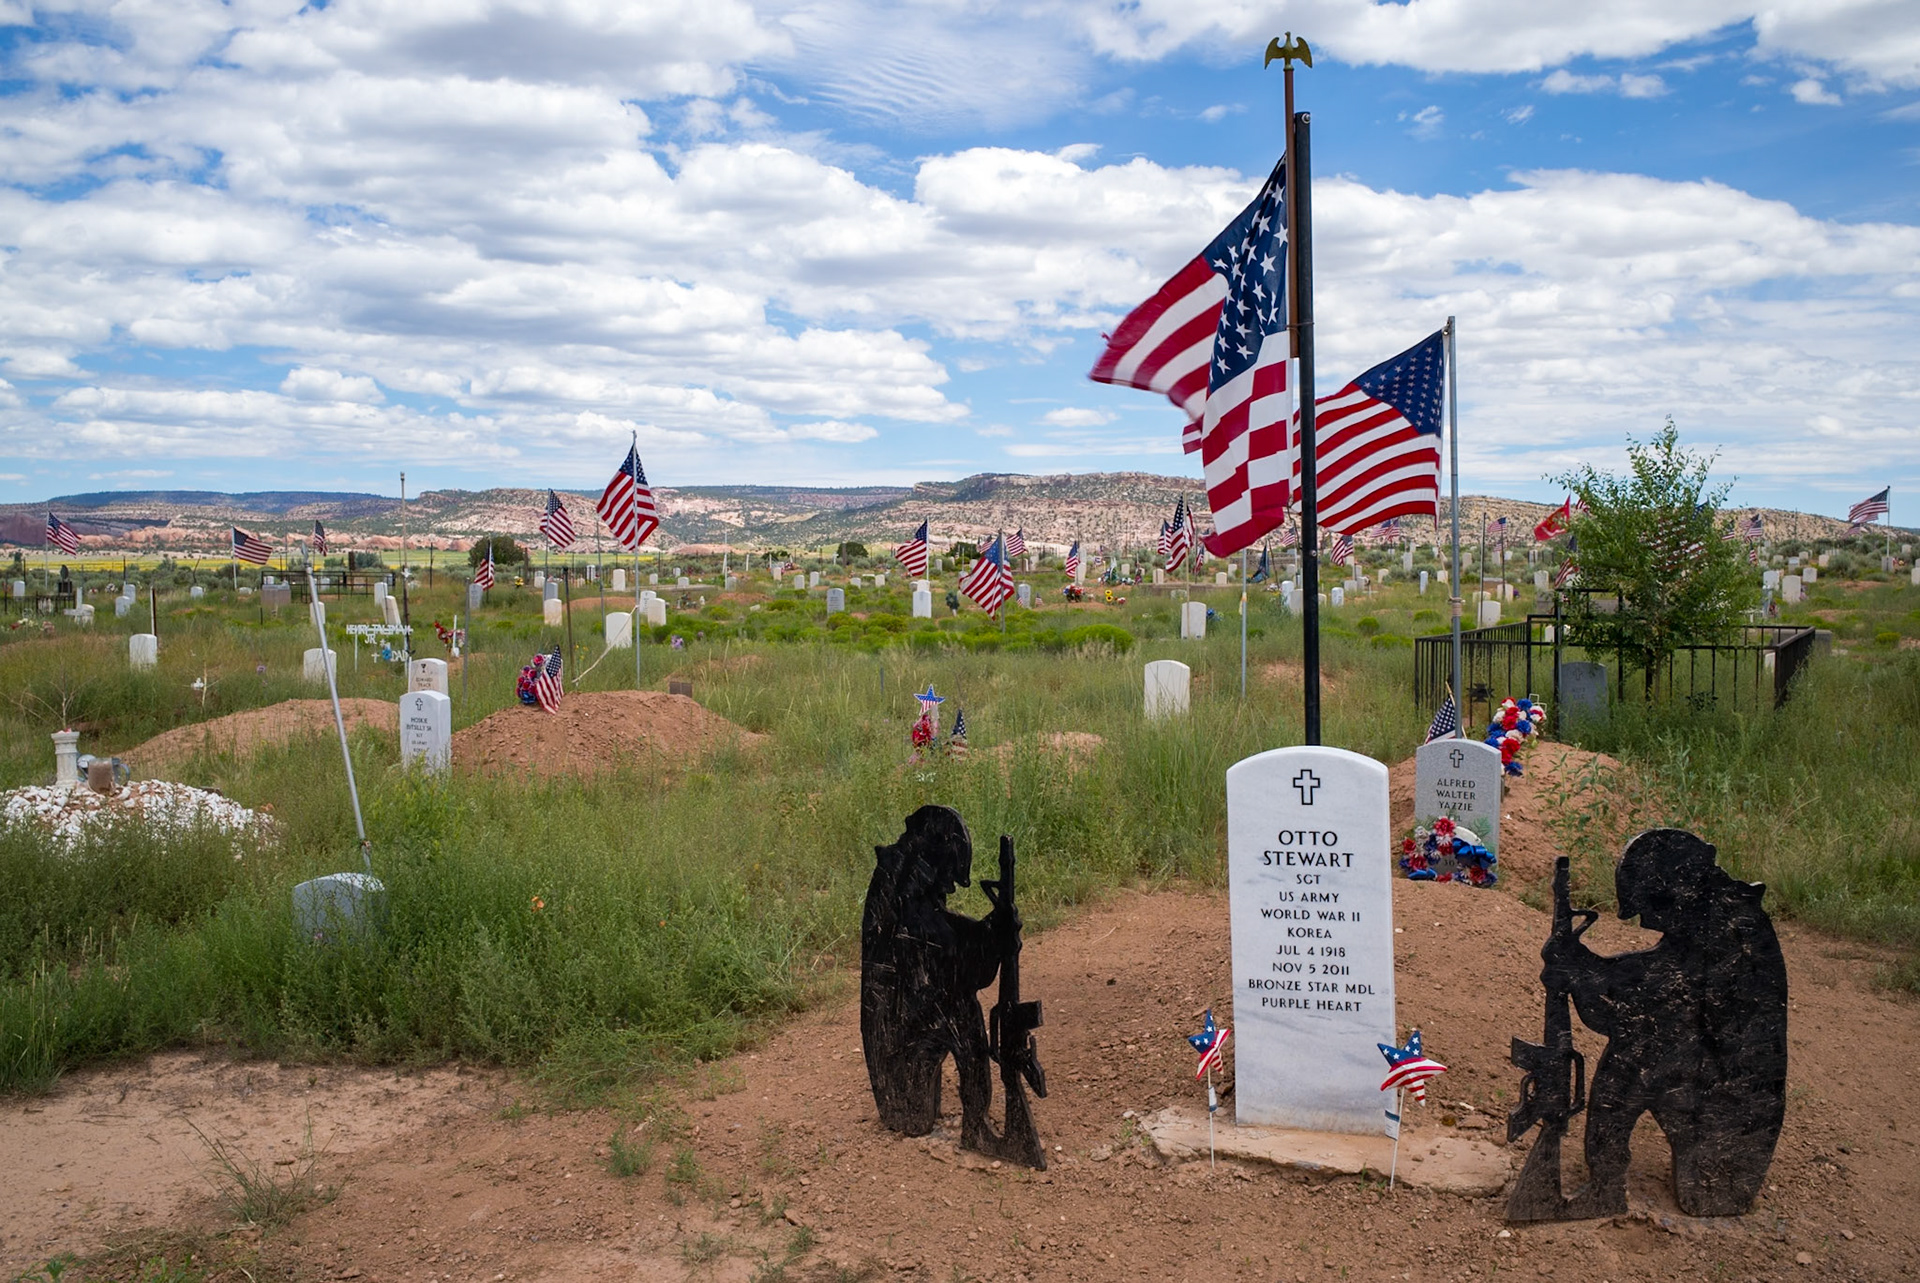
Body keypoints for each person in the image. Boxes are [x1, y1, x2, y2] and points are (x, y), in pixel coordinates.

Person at [1543, 829, 1787, 1217]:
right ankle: (1605, 1184)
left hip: (1730, 1124)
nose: (1647, 925)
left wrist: (1580, 969)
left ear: (1677, 890)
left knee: (1632, 1062)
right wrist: (1582, 967)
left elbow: (1642, 1002)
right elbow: (1653, 981)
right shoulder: (1714, 919)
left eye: (1652, 911)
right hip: (1713, 1083)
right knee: (1636, 1052)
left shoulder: (1734, 932)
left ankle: (1606, 1185)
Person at [860, 806, 1008, 1156]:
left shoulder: (908, 884)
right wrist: (989, 934)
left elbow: (940, 930)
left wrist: (990, 930)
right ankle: (975, 1125)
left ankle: (976, 1123)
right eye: (947, 878)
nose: (950, 888)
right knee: (960, 1010)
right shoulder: (896, 888)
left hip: (906, 1025)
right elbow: (942, 952)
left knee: (959, 1007)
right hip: (897, 1049)